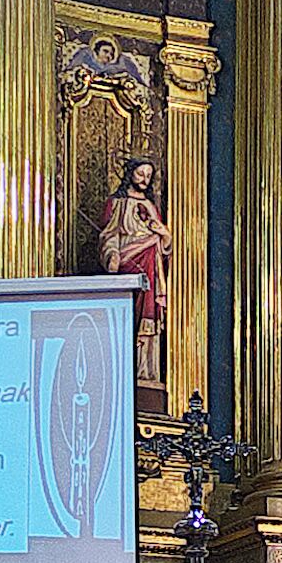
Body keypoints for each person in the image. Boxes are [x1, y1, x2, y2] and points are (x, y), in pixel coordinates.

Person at [98, 154, 171, 396]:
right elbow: (108, 237)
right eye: (140, 174)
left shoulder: (151, 207)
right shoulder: (117, 204)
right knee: (129, 315)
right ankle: (125, 365)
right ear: (130, 173)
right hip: (128, 266)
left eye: (148, 176)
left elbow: (164, 244)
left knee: (149, 319)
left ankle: (146, 371)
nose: (144, 179)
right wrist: (112, 256)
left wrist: (165, 235)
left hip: (151, 266)